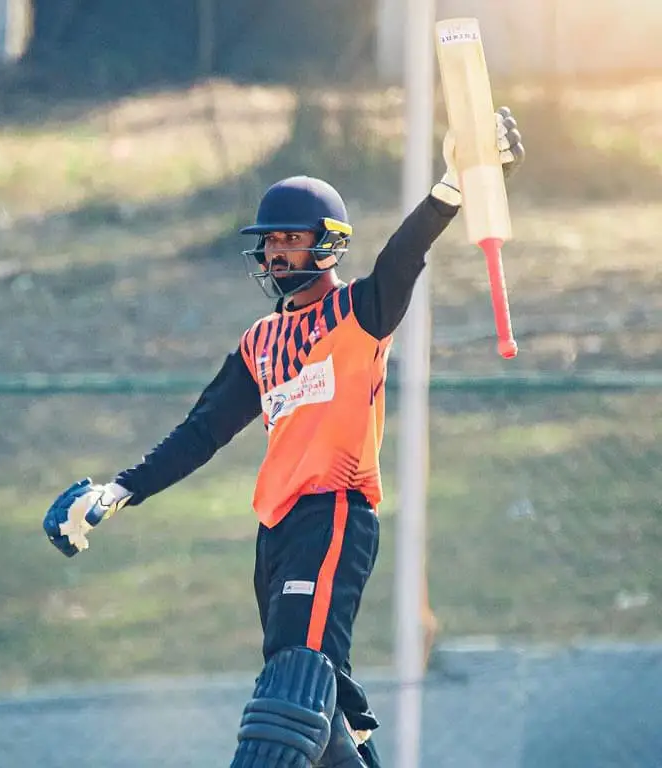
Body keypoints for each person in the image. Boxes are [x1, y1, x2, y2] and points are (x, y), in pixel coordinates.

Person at [43, 109, 525, 767]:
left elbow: (402, 257)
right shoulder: (259, 341)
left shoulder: (361, 312)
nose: (275, 254)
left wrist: (450, 187)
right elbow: (202, 430)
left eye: (290, 240)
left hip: (334, 514)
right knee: (310, 701)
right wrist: (119, 489)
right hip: (276, 529)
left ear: (326, 243)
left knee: (293, 689)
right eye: (269, 242)